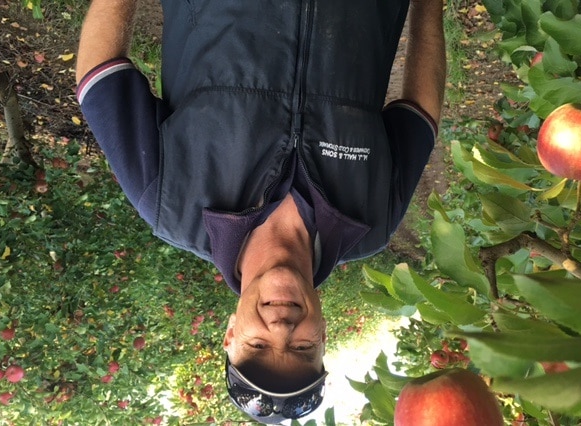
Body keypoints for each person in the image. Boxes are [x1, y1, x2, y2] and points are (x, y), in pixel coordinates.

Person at [75, 0, 445, 423]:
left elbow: (99, 76)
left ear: (231, 333)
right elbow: (421, 110)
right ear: (324, 335)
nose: (282, 329)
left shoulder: (169, 202)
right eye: (303, 347)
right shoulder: (372, 221)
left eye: (257, 346)